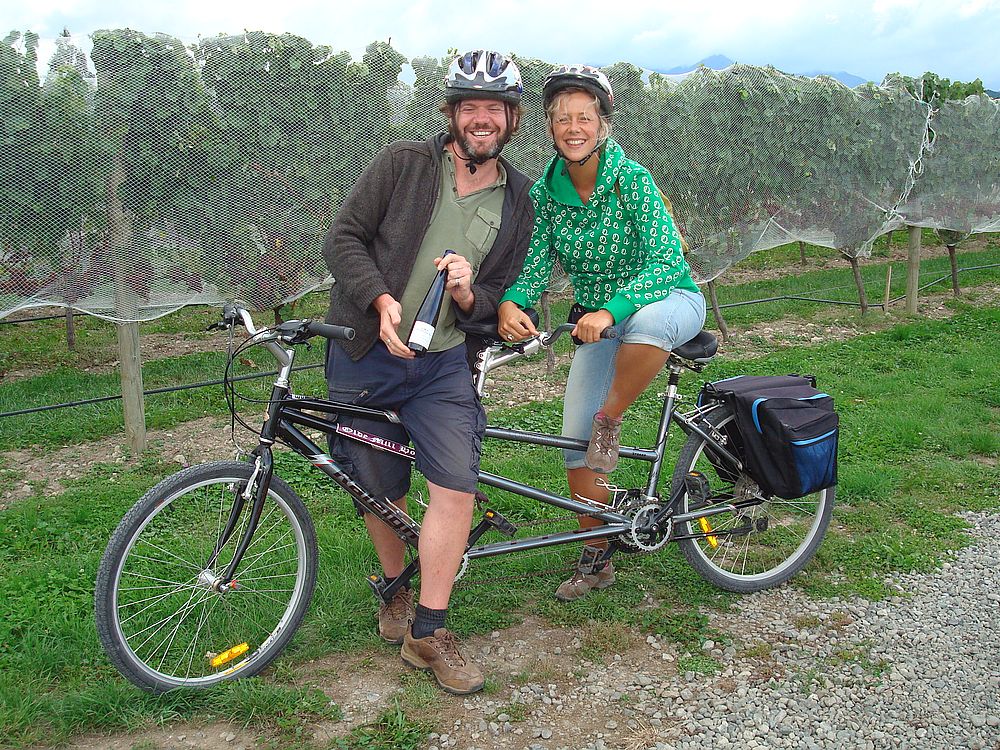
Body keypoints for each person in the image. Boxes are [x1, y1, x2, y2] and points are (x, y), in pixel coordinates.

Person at [322, 50, 533, 694]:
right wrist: (381, 301)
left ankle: (428, 629)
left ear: (509, 119)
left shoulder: (518, 196)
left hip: (444, 363)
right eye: (470, 106)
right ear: (452, 112)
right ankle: (392, 587)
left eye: (493, 108)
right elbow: (344, 239)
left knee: (456, 483)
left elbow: (498, 294)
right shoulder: (405, 163)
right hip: (367, 352)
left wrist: (471, 296)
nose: (480, 118)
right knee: (377, 486)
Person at [497, 64, 706, 602]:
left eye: (584, 117)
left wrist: (610, 309)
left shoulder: (631, 179)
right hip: (600, 322)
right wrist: (514, 300)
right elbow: (535, 263)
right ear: (548, 125)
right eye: (562, 118)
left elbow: (666, 258)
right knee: (573, 441)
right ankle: (597, 554)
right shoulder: (545, 195)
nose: (573, 127)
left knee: (644, 332)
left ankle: (609, 420)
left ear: (603, 124)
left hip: (669, 300)